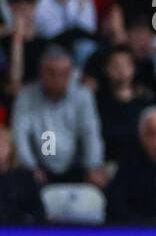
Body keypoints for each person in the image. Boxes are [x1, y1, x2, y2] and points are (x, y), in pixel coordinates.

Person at [10, 46, 104, 187]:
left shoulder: (83, 95)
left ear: (72, 73)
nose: (58, 78)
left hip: (75, 164)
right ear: (41, 73)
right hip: (38, 167)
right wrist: (30, 167)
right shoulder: (26, 96)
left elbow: (90, 133)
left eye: (64, 73)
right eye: (52, 73)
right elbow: (20, 135)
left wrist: (93, 166)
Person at [96, 45, 153, 164]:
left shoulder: (146, 102)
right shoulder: (98, 103)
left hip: (143, 165)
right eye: (115, 65)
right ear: (106, 69)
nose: (121, 70)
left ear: (133, 68)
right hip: (109, 165)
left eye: (126, 65)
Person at [0, 124, 44, 223]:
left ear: (11, 148)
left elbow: (37, 212)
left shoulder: (25, 178)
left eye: (2, 145)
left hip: (20, 232)